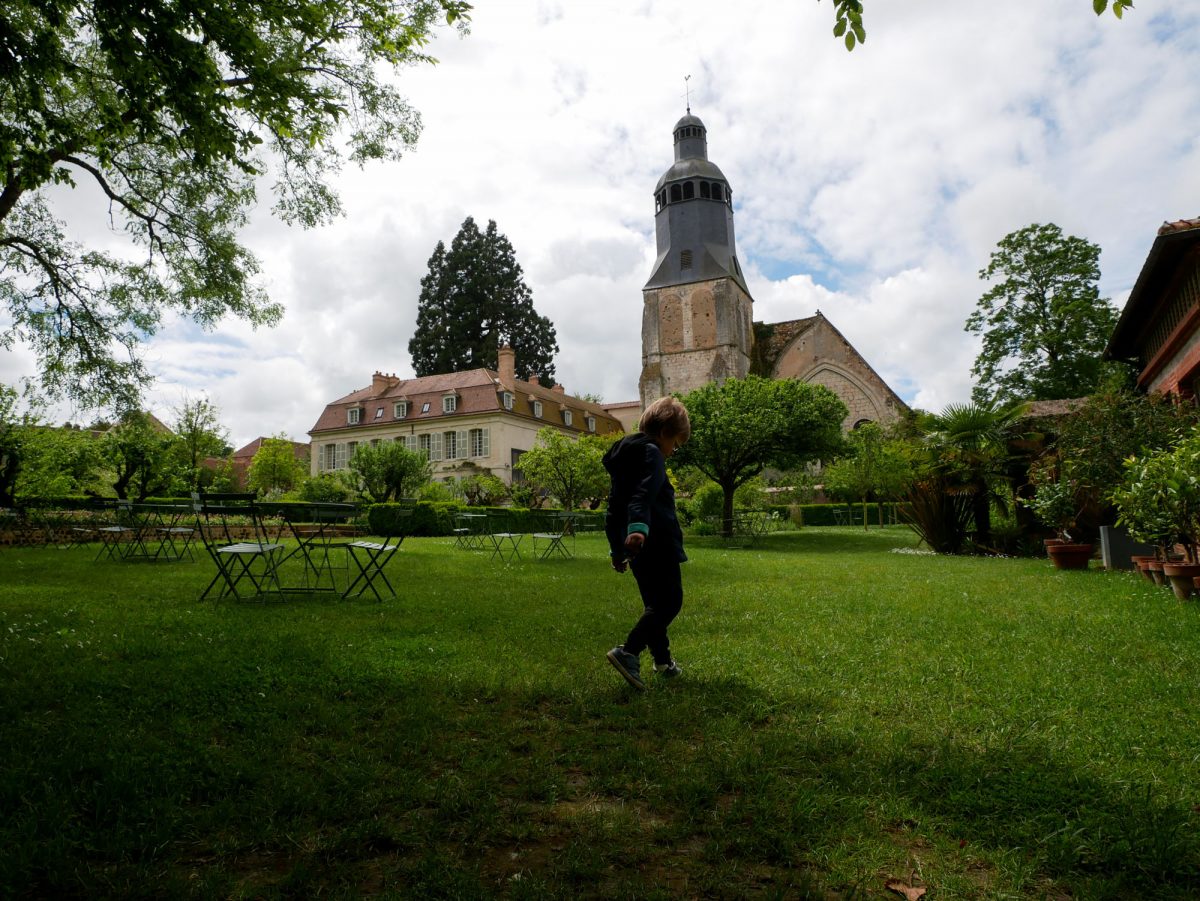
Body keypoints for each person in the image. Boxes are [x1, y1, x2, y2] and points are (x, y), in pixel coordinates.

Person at [603, 395, 691, 690]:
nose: (673, 451)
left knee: (654, 605)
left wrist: (617, 548)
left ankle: (663, 662)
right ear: (665, 433)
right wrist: (639, 527)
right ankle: (628, 652)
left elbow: (615, 507)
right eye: (676, 445)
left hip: (637, 548)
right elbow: (644, 493)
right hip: (656, 540)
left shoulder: (625, 459)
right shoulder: (653, 454)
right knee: (670, 602)